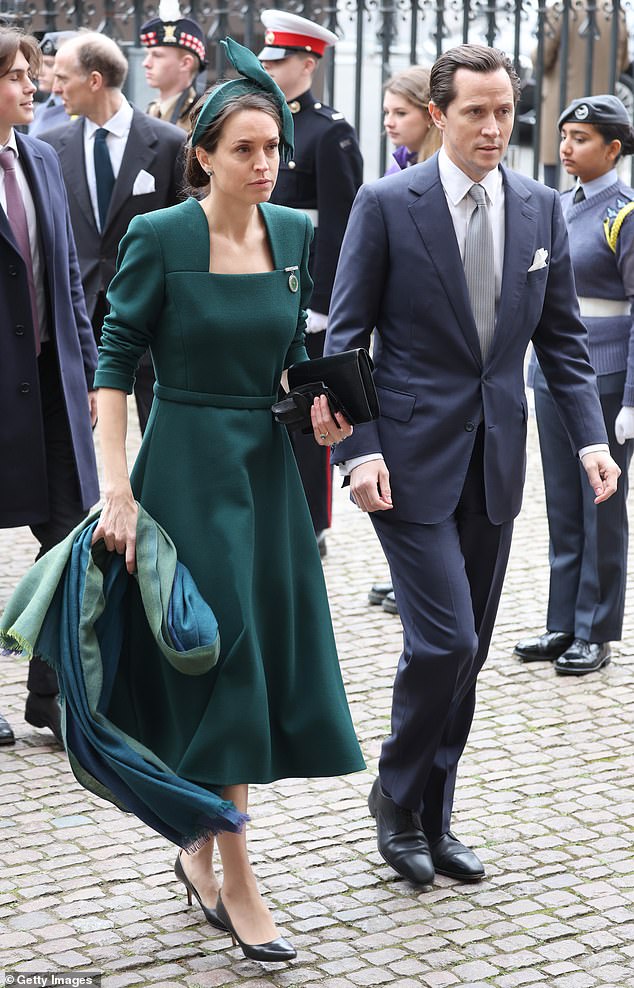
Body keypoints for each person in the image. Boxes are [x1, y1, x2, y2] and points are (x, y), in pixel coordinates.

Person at [90, 37, 364, 960]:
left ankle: (204, 852)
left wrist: (323, 415)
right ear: (201, 153)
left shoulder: (294, 234)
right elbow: (116, 362)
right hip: (186, 474)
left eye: (274, 149)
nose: (264, 165)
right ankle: (240, 877)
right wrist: (116, 486)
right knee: (224, 661)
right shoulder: (158, 236)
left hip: (268, 474)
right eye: (244, 149)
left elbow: (291, 362)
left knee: (245, 661)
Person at [325, 43, 620, 888]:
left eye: (504, 112)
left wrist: (594, 440)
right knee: (444, 640)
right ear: (440, 115)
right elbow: (344, 341)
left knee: (473, 651)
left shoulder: (537, 208)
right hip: (406, 463)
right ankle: (395, 794)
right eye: (475, 113)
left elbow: (562, 340)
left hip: (496, 462)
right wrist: (360, 450)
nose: (494, 128)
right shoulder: (386, 203)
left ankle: (434, 816)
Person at [0, 27, 99, 745]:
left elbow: (67, 280)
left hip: (50, 381)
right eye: (16, 75)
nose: (33, 86)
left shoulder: (39, 155)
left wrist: (90, 373)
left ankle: (52, 692)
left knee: (69, 535)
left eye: (32, 73)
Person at [515, 95, 634, 675]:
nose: (566, 148)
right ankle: (562, 621)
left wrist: (633, 398)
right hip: (553, 373)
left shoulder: (626, 212)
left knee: (602, 506)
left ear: (613, 148)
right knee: (563, 501)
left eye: (582, 138)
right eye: (564, 136)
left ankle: (597, 628)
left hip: (607, 377)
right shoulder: (554, 204)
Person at [39, 32, 186, 434]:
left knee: (162, 433)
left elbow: (188, 229)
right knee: (70, 438)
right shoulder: (48, 147)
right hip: (77, 315)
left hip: (151, 313)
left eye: (63, 77)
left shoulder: (171, 142)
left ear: (94, 80)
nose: (53, 87)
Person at [259, 9, 363, 557]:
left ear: (307, 62)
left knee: (308, 406)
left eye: (280, 61)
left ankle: (312, 521)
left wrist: (324, 302)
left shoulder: (329, 131)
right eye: (268, 60)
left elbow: (346, 225)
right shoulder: (265, 124)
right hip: (261, 281)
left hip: (307, 291)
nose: (270, 70)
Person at [369, 65, 442, 615]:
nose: (391, 124)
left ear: (430, 114)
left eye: (401, 113)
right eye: (388, 113)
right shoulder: (393, 182)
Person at [537, 1, 629, 188]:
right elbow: (623, 61)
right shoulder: (614, 10)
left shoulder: (562, 8)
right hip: (601, 106)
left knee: (552, 179)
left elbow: (542, 57)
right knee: (593, 176)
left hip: (561, 103)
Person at [140, 2, 206, 133]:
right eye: (148, 55)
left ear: (186, 63)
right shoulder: (152, 109)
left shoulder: (202, 116)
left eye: (157, 55)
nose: (146, 63)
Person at [383, 65, 442, 175]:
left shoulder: (446, 168)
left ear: (430, 115)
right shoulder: (400, 163)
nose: (388, 123)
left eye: (400, 113)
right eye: (386, 112)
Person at [28, 31, 76, 138]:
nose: (39, 72)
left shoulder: (79, 111)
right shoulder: (39, 110)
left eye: (50, 65)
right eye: (40, 64)